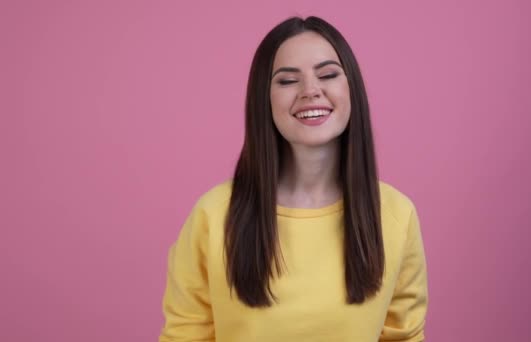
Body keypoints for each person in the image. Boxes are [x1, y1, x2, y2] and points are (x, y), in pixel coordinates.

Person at [159, 16, 428, 342]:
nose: (311, 91)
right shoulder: (213, 215)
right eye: (287, 81)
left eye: (328, 74)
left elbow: (403, 337)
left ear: (352, 89)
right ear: (264, 99)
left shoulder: (397, 215)